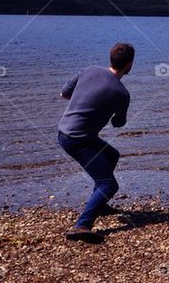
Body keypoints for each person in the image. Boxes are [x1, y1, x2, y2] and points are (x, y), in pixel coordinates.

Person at [57, 43, 134, 242]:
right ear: (129, 65)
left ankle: (100, 204)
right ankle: (82, 225)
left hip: (67, 132)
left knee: (111, 154)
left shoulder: (90, 70)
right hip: (77, 140)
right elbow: (118, 123)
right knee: (108, 184)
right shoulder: (122, 93)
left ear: (111, 59)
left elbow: (64, 93)